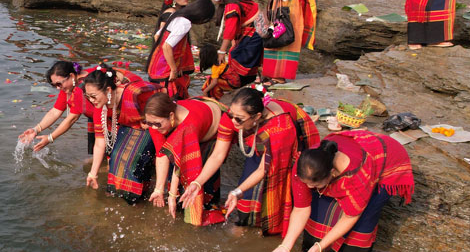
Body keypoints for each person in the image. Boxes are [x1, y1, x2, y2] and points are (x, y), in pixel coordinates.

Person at [266, 130, 414, 252]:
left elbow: (350, 217)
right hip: (354, 146)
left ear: (332, 173)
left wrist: (320, 246)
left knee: (362, 222)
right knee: (319, 217)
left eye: (315, 185)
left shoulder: (357, 175)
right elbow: (301, 209)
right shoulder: (305, 166)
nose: (309, 188)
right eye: (307, 184)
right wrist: (285, 247)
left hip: (385, 162)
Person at [182, 87, 320, 236]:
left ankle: (273, 226)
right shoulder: (234, 117)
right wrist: (197, 183)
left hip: (285, 141)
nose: (233, 121)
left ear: (256, 117)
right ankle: (245, 222)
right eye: (231, 115)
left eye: (239, 119)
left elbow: (263, 170)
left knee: (277, 184)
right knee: (246, 192)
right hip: (260, 141)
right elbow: (217, 155)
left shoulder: (279, 128)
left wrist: (236, 191)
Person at [142, 94, 227, 226]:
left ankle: (210, 208)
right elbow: (162, 154)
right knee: (176, 183)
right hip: (192, 114)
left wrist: (172, 195)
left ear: (171, 116)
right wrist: (158, 189)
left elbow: (182, 162)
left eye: (156, 124)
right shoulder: (155, 122)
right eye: (149, 123)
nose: (153, 128)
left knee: (200, 180)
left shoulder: (188, 127)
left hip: (211, 131)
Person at [83, 66, 163, 203]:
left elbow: (163, 99)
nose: (91, 100)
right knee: (114, 159)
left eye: (93, 96)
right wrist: (93, 173)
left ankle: (139, 197)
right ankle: (124, 196)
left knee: (128, 159)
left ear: (108, 90)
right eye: (87, 96)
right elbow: (100, 142)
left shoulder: (133, 94)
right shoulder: (99, 108)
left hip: (153, 126)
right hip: (129, 128)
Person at [203, 0, 263, 98]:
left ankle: (245, 80)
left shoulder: (232, 6)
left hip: (253, 33)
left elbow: (230, 30)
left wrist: (222, 51)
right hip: (250, 31)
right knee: (235, 52)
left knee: (236, 55)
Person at [146, 0, 214, 99]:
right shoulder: (185, 23)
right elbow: (167, 46)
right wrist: (173, 69)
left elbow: (157, 36)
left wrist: (177, 64)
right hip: (166, 69)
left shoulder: (176, 15)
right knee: (168, 99)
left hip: (157, 65)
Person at [18, 61, 91, 154]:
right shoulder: (68, 88)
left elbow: (72, 118)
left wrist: (50, 138)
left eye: (59, 84)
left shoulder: (81, 88)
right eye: (54, 85)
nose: (57, 88)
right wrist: (36, 129)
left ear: (72, 76)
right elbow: (55, 111)